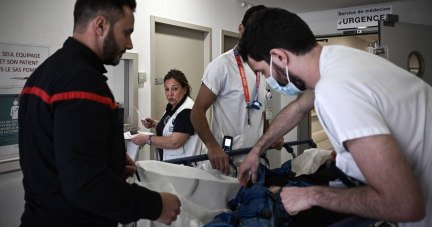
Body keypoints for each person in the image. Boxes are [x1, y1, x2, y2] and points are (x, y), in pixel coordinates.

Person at [237, 7, 431, 226]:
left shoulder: (335, 90)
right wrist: (257, 150)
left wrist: (311, 195)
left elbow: (404, 204)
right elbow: (299, 108)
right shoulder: (338, 61)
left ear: (279, 57)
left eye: (262, 72)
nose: (265, 79)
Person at [18, 1, 180, 226]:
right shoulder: (83, 83)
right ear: (101, 25)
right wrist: (155, 205)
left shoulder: (42, 74)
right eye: (127, 32)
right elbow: (85, 184)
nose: (130, 43)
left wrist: (110, 162)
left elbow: (56, 157)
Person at [190, 5, 284, 176]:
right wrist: (212, 147)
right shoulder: (221, 66)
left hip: (256, 162)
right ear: (241, 29)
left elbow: (262, 111)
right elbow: (196, 112)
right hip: (227, 163)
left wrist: (271, 138)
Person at [131, 69, 203, 161]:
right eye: (167, 89)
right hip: (169, 164)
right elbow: (175, 126)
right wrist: (156, 124)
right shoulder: (172, 107)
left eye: (174, 89)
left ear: (184, 89)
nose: (170, 94)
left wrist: (146, 139)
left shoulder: (187, 110)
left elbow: (175, 142)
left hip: (182, 167)